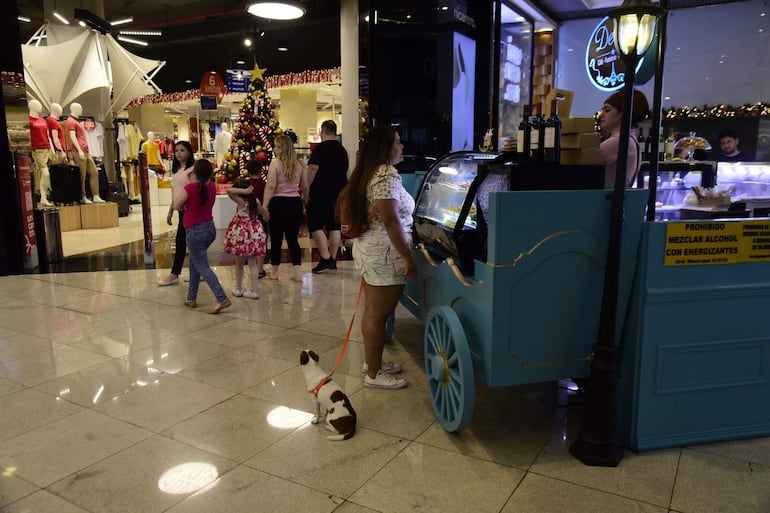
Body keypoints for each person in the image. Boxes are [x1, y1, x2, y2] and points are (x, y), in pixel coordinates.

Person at [340, 125, 416, 390]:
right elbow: (391, 221)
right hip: (383, 253)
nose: (402, 146)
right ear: (385, 147)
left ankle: (371, 363)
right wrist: (408, 257)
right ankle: (373, 375)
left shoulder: (370, 171)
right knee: (378, 314)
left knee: (372, 311)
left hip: (370, 249)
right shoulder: (385, 175)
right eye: (397, 141)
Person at [172, 159, 231, 314]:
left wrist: (185, 205)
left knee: (202, 266)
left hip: (194, 231)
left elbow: (177, 205)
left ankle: (221, 297)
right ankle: (191, 297)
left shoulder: (190, 188)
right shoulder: (211, 187)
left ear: (195, 173)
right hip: (208, 229)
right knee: (195, 262)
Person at [263, 134, 309, 282]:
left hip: (278, 203)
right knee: (292, 239)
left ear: (282, 148)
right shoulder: (299, 164)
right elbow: (305, 186)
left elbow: (270, 186)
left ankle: (275, 272)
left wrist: (264, 206)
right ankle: (298, 273)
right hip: (294, 203)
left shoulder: (275, 164)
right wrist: (305, 200)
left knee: (276, 239)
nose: (274, 149)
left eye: (276, 146)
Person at [306, 120, 349, 274]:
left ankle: (325, 258)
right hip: (339, 192)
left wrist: (306, 187)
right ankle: (332, 258)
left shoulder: (320, 149)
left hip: (321, 192)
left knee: (314, 223)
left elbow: (312, 169)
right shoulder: (342, 150)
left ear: (323, 131)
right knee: (334, 225)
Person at [158, 141, 196, 286]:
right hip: (181, 210)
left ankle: (175, 273)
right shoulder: (176, 170)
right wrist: (170, 210)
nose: (179, 153)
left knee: (183, 241)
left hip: (189, 211)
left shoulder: (192, 170)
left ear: (189, 152)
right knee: (185, 241)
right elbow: (175, 192)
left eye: (182, 150)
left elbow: (194, 191)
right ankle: (196, 272)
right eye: (177, 150)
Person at [224, 178, 268, 299]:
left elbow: (229, 191)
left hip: (241, 234)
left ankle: (238, 288)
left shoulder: (240, 201)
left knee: (239, 263)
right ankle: (254, 290)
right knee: (253, 263)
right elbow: (264, 214)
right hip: (254, 233)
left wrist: (244, 191)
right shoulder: (255, 201)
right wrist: (266, 216)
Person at [598, 89, 650, 188]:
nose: (601, 115)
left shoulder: (618, 142)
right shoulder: (629, 139)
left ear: (623, 113)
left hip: (605, 201)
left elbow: (580, 164)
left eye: (607, 110)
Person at [66, 102, 104, 204]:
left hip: (85, 151)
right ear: (74, 109)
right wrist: (79, 150)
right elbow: (72, 136)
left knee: (94, 172)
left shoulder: (76, 121)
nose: (81, 110)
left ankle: (95, 195)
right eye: (79, 108)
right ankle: (82, 196)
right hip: (79, 151)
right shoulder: (70, 121)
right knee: (81, 175)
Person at [28, 99, 53, 206]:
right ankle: (42, 197)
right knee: (45, 173)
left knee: (46, 175)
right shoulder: (28, 120)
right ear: (32, 107)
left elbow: (47, 135)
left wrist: (51, 147)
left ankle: (44, 197)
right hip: (37, 150)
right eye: (37, 105)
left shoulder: (43, 120)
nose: (40, 107)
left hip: (47, 148)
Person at [246, 159, 268, 279]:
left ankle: (251, 268)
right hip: (261, 218)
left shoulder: (246, 185)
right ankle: (259, 269)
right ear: (261, 170)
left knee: (249, 242)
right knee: (262, 242)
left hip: (248, 218)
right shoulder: (264, 184)